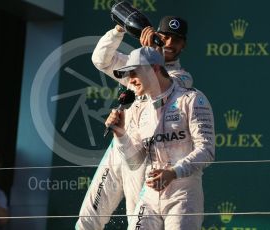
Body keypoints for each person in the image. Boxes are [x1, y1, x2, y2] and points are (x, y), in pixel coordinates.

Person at [76, 16, 192, 229]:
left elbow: (160, 87)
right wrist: (122, 28)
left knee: (136, 223)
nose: (168, 43)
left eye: (175, 39)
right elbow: (101, 60)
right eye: (164, 36)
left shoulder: (182, 78)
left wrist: (151, 59)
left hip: (142, 157)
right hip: (117, 149)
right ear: (155, 34)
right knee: (88, 220)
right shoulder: (135, 65)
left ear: (183, 44)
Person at [106, 46, 215, 229]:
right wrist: (121, 134)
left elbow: (207, 150)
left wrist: (173, 172)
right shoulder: (140, 109)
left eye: (134, 72)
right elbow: (134, 163)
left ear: (155, 68)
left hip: (183, 194)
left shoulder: (191, 99)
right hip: (148, 195)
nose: (130, 80)